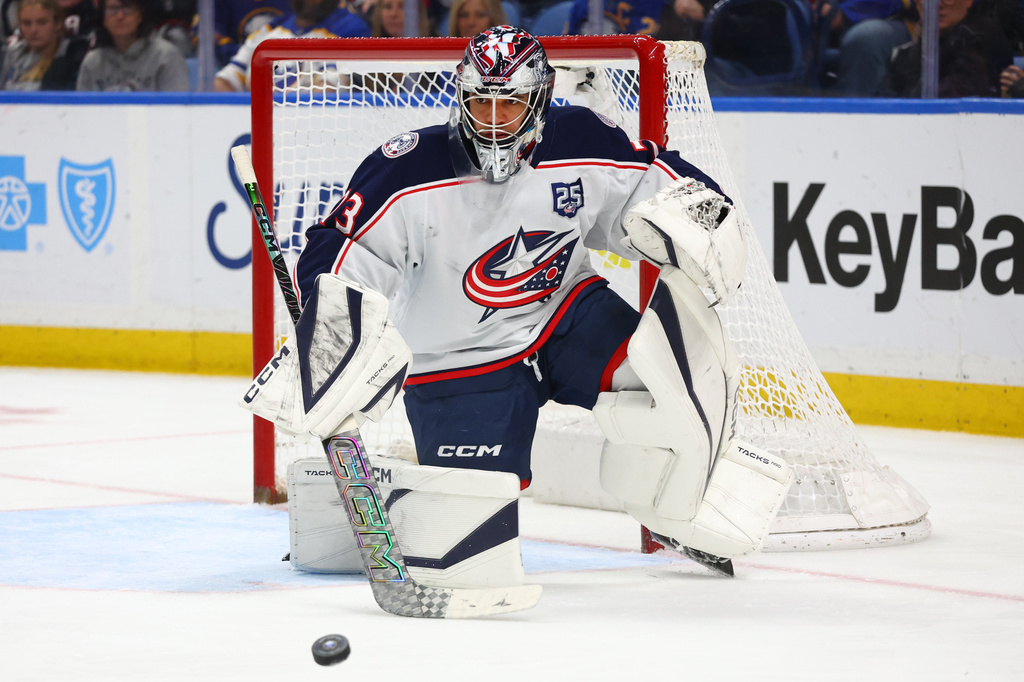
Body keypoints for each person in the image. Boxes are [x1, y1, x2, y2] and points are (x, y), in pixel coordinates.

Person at [246, 26, 793, 581]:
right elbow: (340, 249)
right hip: (458, 359)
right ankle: (363, 513)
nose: (491, 117)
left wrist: (700, 213)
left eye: (508, 103)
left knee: (670, 370)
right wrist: (332, 325)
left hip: (564, 315)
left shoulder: (578, 138)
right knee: (469, 542)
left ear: (539, 100)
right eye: (480, 100)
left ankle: (675, 509)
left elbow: (654, 176)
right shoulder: (408, 168)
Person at [213, 0, 370, 92]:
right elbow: (223, 81)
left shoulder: (352, 28)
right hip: (258, 127)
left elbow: (330, 86)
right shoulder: (271, 30)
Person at [880, 0, 1013, 97]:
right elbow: (886, 97)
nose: (938, 4)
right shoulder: (912, 50)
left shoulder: (982, 36)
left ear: (969, 1)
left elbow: (960, 94)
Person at [76, 0, 190, 90]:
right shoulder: (93, 62)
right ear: (103, 18)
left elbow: (176, 111)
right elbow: (81, 113)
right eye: (112, 9)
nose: (120, 16)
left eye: (127, 8)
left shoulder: (166, 56)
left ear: (140, 15)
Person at [1, 0, 89, 89]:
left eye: (42, 23)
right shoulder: (11, 55)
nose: (33, 30)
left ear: (57, 23)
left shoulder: (72, 57)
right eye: (27, 23)